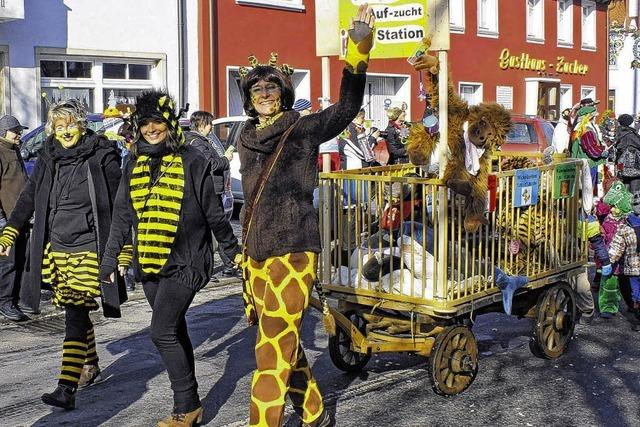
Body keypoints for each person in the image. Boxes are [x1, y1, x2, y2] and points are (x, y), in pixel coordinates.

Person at [237, 5, 374, 426]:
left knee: (270, 352)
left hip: (294, 250)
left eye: (271, 87)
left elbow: (348, 107)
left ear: (283, 91)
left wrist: (358, 49)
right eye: (256, 89)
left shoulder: (303, 128)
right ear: (247, 98)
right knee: (280, 341)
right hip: (255, 253)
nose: (264, 94)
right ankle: (314, 412)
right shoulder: (244, 136)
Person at [98, 90, 240, 426]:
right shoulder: (131, 161)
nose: (151, 128)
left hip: (187, 259)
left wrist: (232, 253)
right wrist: (109, 261)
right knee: (174, 329)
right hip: (149, 263)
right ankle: (191, 404)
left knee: (160, 331)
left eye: (157, 122)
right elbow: (122, 215)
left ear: (169, 124)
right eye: (144, 122)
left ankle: (186, 407)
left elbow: (213, 213)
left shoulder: (192, 159)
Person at [0, 100, 125, 408]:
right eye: (59, 126)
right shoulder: (48, 156)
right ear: (52, 129)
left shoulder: (101, 154)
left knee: (75, 314)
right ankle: (90, 364)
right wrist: (11, 230)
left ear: (81, 124)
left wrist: (125, 249)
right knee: (76, 310)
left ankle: (66, 388)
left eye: (70, 124)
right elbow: (30, 196)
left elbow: (121, 202)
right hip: (56, 248)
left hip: (89, 248)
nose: (65, 131)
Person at [185, 110, 238, 279]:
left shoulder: (200, 141)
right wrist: (225, 159)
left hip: (212, 190)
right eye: (209, 124)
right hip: (208, 192)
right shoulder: (197, 142)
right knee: (217, 227)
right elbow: (209, 165)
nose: (211, 128)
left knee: (216, 228)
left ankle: (227, 264)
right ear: (201, 125)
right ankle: (224, 263)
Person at [0, 115, 30, 321]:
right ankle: (5, 302)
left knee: (21, 260)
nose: (19, 134)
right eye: (15, 131)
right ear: (3, 133)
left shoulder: (14, 150)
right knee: (7, 263)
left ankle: (16, 299)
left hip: (20, 218)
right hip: (6, 221)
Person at [614, 114, 640, 214]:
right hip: (633, 165)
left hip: (622, 164)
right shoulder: (630, 134)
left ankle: (623, 209)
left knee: (625, 186)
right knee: (635, 187)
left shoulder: (619, 132)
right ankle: (636, 211)